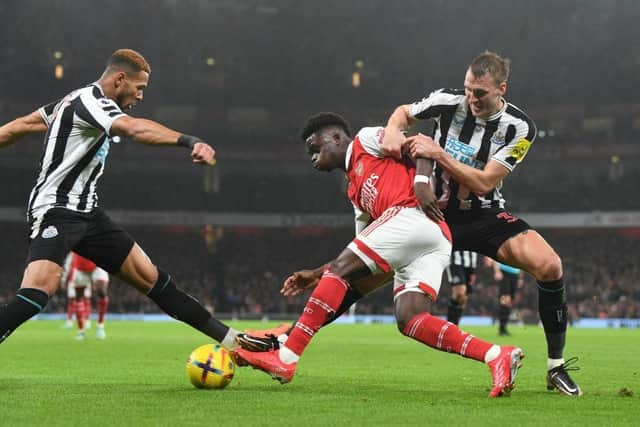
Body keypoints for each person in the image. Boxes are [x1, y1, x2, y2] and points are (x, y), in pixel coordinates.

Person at [235, 112, 524, 398]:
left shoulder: (365, 140)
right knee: (409, 319)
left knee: (342, 270)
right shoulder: (355, 193)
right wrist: (317, 273)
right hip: (430, 239)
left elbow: (420, 144)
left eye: (316, 147)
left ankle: (286, 357)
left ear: (336, 137)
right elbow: (359, 251)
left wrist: (422, 183)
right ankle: (496, 354)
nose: (312, 155)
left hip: (413, 216)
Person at [0, 48, 242, 352]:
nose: (141, 96)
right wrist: (190, 141)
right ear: (120, 78)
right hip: (56, 208)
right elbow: (133, 128)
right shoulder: (92, 102)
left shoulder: (71, 101)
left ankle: (235, 342)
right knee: (39, 290)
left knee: (154, 280)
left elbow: (20, 126)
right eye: (139, 88)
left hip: (88, 212)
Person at [382, 51, 581, 396]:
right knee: (365, 272)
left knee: (550, 266)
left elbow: (486, 181)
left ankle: (555, 367)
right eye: (468, 89)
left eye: (480, 93)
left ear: (501, 89)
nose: (471, 99)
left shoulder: (520, 127)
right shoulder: (447, 101)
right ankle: (291, 339)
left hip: (484, 214)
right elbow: (403, 113)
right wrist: (392, 133)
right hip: (433, 213)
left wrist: (437, 153)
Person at [61, 252, 110, 340]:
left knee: (102, 292)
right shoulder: (72, 244)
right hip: (80, 267)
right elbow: (67, 262)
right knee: (78, 298)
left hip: (98, 264)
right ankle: (81, 331)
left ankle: (100, 326)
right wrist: (63, 278)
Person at [489, 258, 524, 336]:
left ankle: (504, 328)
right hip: (504, 272)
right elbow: (495, 256)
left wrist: (520, 277)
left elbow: (521, 261)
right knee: (505, 300)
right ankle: (502, 328)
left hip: (515, 274)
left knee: (510, 302)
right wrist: (497, 271)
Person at [445, 250, 479, 325]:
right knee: (460, 292)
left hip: (471, 264)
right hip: (455, 261)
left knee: (464, 298)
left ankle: (455, 325)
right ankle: (449, 323)